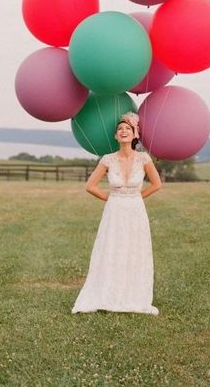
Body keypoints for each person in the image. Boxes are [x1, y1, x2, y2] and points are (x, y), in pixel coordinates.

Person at [72, 112, 162, 315]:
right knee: (113, 247)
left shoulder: (143, 158)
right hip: (114, 210)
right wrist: (111, 198)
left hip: (136, 210)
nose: (123, 131)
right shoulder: (107, 159)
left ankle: (133, 295)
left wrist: (136, 197)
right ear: (115, 136)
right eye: (120, 129)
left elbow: (157, 184)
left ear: (134, 135)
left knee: (133, 249)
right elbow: (90, 186)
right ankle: (108, 293)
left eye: (127, 129)